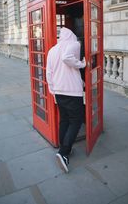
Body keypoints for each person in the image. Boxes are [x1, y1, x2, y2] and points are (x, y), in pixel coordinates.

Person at [46, 27, 86, 173]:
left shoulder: (52, 50)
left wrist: (53, 91)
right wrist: (82, 64)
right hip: (72, 92)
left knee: (65, 120)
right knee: (76, 120)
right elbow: (67, 58)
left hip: (58, 91)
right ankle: (63, 153)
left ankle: (64, 148)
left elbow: (48, 73)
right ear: (72, 36)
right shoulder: (74, 44)